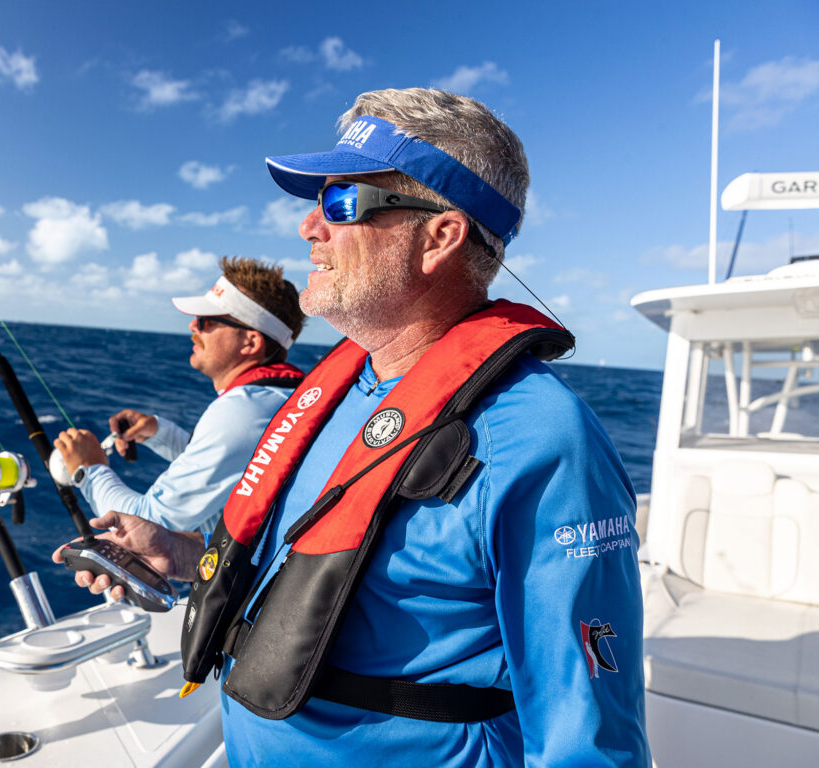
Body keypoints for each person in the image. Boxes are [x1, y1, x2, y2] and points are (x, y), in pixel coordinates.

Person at [55, 89, 649, 767]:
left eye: (341, 204)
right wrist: (183, 557)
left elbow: (591, 742)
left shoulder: (541, 438)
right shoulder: (333, 394)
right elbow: (318, 583)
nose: (310, 228)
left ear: (439, 236)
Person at [53, 256, 306, 537]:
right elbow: (229, 468)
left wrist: (89, 470)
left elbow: (148, 523)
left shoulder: (242, 412)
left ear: (250, 342)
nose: (193, 327)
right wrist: (158, 432)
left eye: (207, 321)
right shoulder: (276, 398)